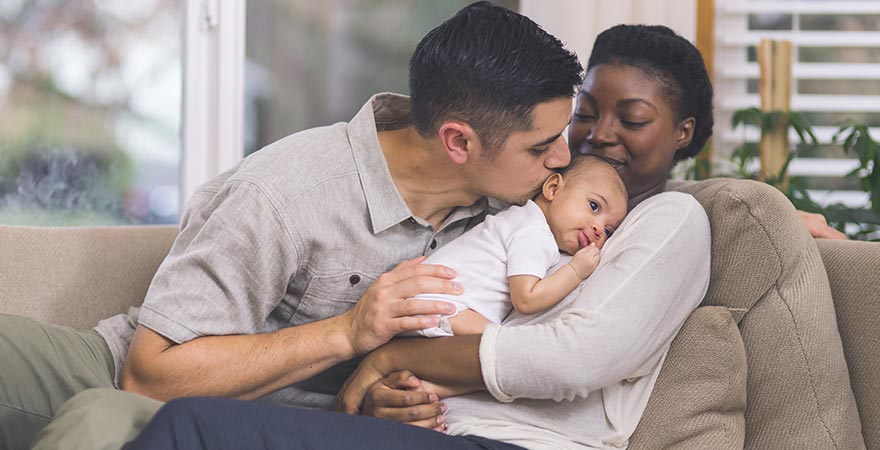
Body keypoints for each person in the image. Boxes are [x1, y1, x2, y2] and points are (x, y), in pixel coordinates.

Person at [4, 3, 585, 450]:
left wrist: (377, 400)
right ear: (459, 141)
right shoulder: (289, 192)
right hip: (120, 371)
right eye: (542, 146)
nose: (562, 158)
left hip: (245, 422)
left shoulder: (511, 213)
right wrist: (347, 332)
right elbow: (148, 376)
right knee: (98, 410)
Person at [120, 24, 718, 450]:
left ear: (683, 135)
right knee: (150, 419)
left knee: (185, 428)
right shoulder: (514, 201)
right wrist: (385, 384)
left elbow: (568, 358)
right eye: (581, 116)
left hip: (504, 438)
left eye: (633, 120)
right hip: (401, 420)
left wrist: (387, 358)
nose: (584, 144)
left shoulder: (668, 221)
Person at [410, 154, 628, 337]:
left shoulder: (521, 219)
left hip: (425, 305)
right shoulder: (533, 232)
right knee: (504, 345)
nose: (599, 229)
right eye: (594, 206)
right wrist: (576, 271)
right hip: (442, 308)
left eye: (609, 231)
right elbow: (527, 298)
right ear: (553, 188)